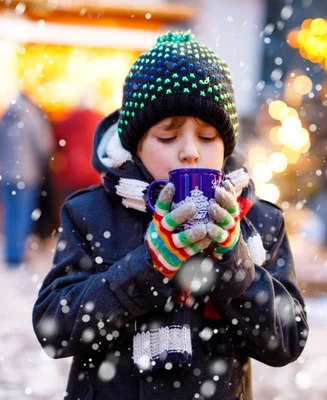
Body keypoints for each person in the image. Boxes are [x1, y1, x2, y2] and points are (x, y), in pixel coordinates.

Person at [32, 32, 308, 400]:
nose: (191, 152)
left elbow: (286, 341)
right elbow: (55, 330)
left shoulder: (258, 222)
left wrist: (232, 262)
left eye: (208, 137)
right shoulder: (91, 213)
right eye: (167, 137)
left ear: (226, 147)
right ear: (136, 144)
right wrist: (149, 265)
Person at [0, 90, 54, 267]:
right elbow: (44, 146)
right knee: (22, 215)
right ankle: (18, 254)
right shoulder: (33, 118)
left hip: (3, 174)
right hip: (26, 175)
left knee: (8, 214)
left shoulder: (3, 118)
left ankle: (10, 253)